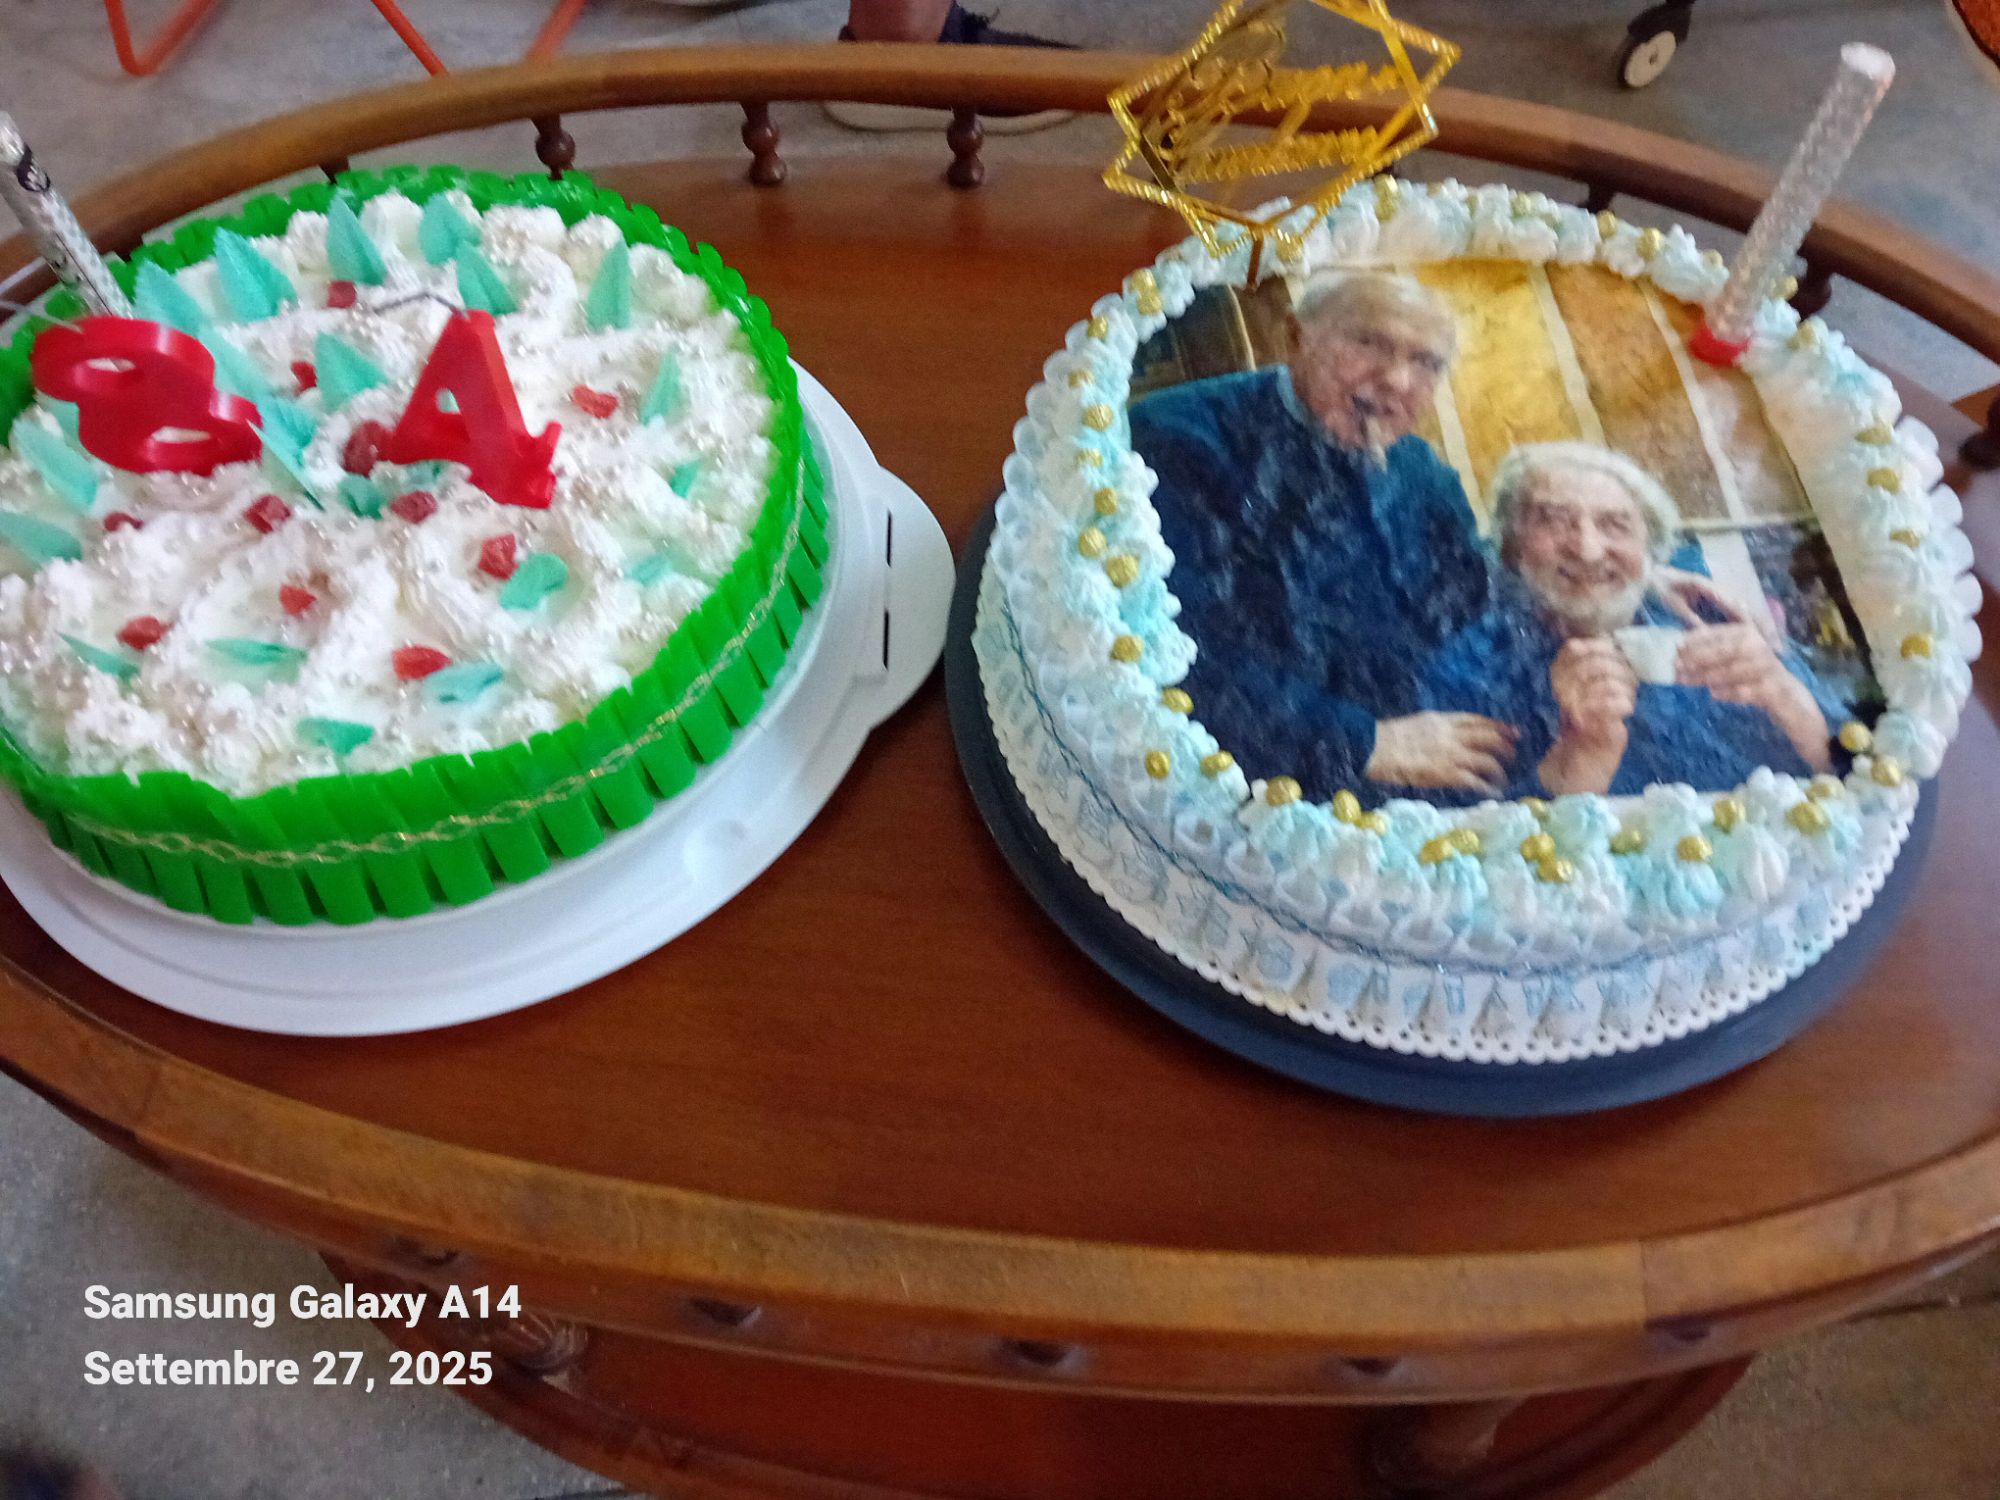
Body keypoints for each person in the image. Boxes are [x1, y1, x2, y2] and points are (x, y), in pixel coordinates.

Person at [1130, 273, 1517, 802]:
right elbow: (1173, 645)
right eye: (1370, 343)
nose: (1397, 379)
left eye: (1426, 362)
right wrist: (1365, 742)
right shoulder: (1179, 437)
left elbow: (1472, 606)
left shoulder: (1421, 471)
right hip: (1244, 780)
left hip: (1413, 770)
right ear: (1295, 337)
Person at [1420, 443, 1840, 800]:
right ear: (1512, 548)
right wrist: (1576, 764)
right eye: (1554, 521)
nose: (1587, 549)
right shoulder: (1470, 669)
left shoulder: (1711, 621)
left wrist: (1790, 699)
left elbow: (1857, 765)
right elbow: (1448, 839)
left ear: (1650, 551)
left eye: (1615, 525)